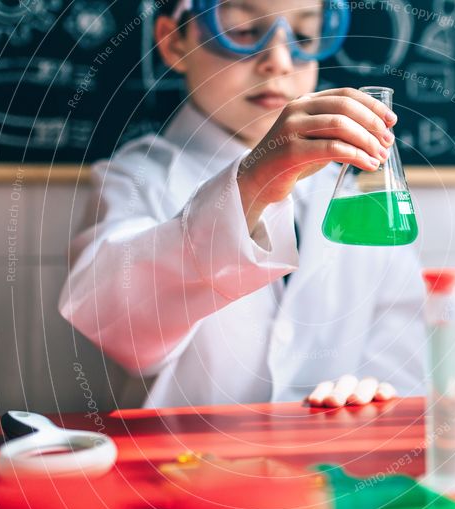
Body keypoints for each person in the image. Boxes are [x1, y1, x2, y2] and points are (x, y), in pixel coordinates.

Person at [58, 0, 425, 408]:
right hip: (184, 465)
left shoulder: (357, 199)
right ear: (175, 42)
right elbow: (118, 325)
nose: (280, 60)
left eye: (304, 35)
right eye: (244, 30)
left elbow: (405, 364)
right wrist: (252, 184)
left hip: (331, 466)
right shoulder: (136, 179)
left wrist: (373, 393)